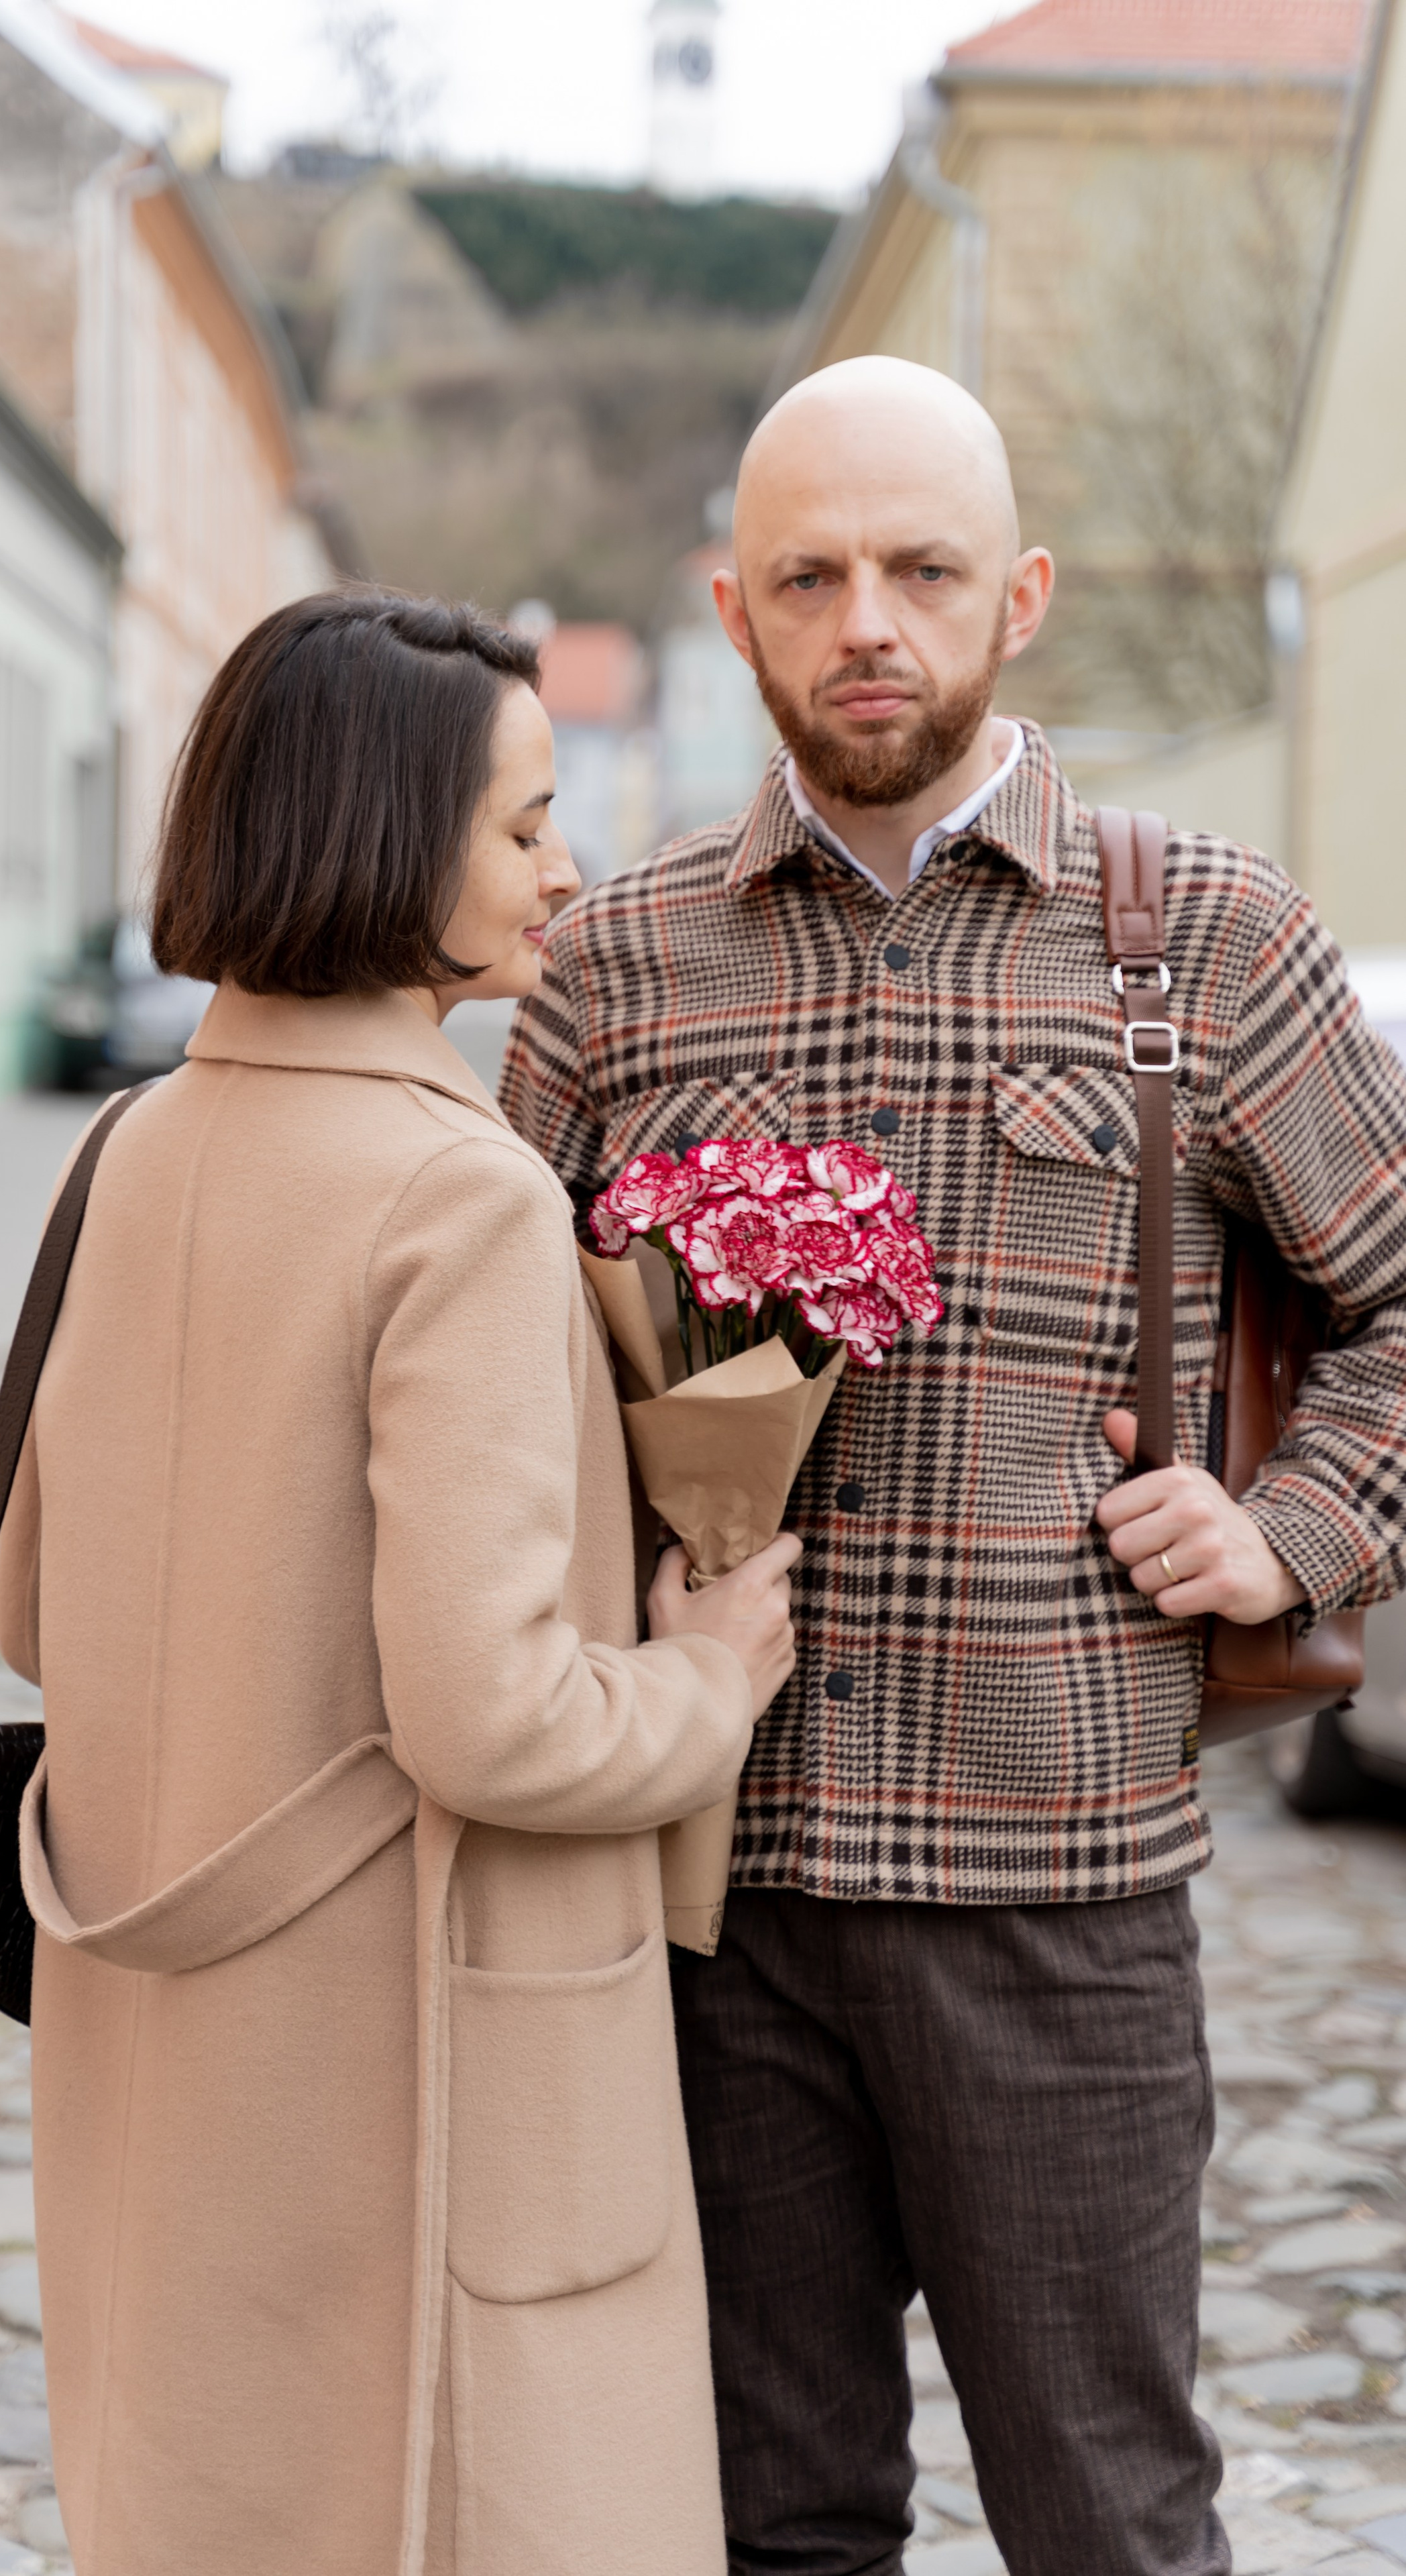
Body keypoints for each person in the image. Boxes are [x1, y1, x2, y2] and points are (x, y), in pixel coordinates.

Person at [500, 356, 1406, 2576]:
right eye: (811, 577)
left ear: (1021, 596)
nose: (867, 623)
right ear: (734, 609)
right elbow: (484, 1380)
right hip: (711, 1901)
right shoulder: (619, 966)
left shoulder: (1201, 937)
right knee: (765, 2523)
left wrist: (1285, 1531)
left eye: (919, 570)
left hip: (1061, 1898)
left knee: (1107, 2517)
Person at [0, 588, 802, 2576]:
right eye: (523, 826)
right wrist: (710, 1675)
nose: (564, 866)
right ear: (377, 832)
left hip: (162, 2032)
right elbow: (492, 1713)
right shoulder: (459, 1194)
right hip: (407, 2057)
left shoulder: (122, 1147)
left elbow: (35, 1614)